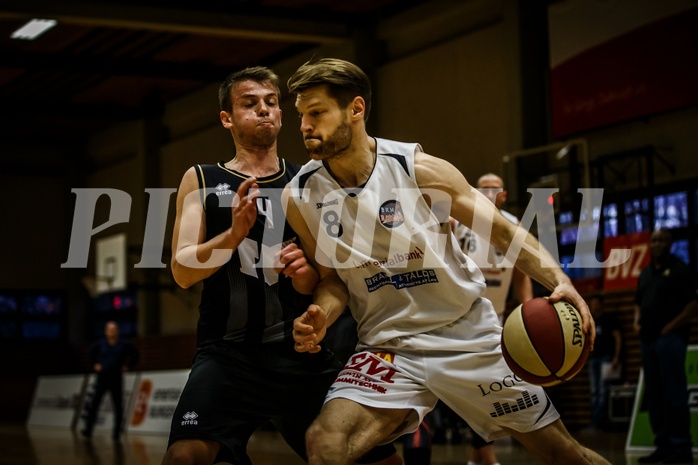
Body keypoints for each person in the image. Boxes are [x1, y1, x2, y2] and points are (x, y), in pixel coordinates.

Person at [283, 57, 609, 465]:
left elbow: (505, 233)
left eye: (316, 113)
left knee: (566, 456)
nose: (305, 126)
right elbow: (333, 281)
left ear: (356, 109)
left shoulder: (416, 169)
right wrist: (321, 316)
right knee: (325, 441)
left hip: (467, 333)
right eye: (301, 115)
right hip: (389, 346)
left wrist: (559, 278)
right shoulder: (300, 196)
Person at [163, 66, 399, 465]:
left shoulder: (311, 181)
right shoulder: (201, 179)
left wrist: (309, 282)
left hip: (300, 356)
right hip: (228, 357)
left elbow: (330, 280)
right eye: (250, 104)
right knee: (184, 457)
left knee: (383, 461)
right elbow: (182, 271)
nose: (264, 110)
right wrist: (232, 236)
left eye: (271, 103)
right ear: (227, 118)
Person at [449, 173, 534, 465]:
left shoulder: (515, 226)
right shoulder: (459, 221)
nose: (486, 192)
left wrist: (529, 311)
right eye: (481, 187)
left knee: (485, 388)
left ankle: (478, 457)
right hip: (460, 314)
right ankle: (487, 456)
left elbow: (523, 274)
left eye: (492, 188)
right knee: (478, 387)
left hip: (496, 316)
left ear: (504, 195)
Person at [634, 228, 698, 464]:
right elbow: (638, 302)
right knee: (655, 396)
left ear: (670, 243)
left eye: (662, 240)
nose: (657, 244)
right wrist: (636, 322)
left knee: (674, 394)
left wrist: (670, 328)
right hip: (648, 341)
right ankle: (663, 445)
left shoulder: (681, 270)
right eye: (654, 240)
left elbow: (692, 306)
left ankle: (681, 448)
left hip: (670, 340)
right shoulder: (646, 273)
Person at [81, 320, 140, 441]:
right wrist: (95, 364)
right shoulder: (100, 344)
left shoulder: (123, 344)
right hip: (102, 377)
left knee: (118, 406)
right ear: (106, 332)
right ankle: (88, 429)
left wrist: (128, 366)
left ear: (117, 331)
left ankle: (117, 432)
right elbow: (91, 354)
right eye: (110, 330)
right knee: (94, 403)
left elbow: (135, 355)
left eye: (114, 329)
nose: (112, 332)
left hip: (116, 378)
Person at [587, 295, 622, 430]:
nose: (594, 306)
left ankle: (599, 422)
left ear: (602, 304)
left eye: (596, 303)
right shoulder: (591, 321)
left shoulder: (609, 319)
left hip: (606, 359)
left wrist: (616, 357)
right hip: (594, 359)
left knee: (603, 391)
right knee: (594, 391)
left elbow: (618, 338)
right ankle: (594, 421)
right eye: (592, 304)